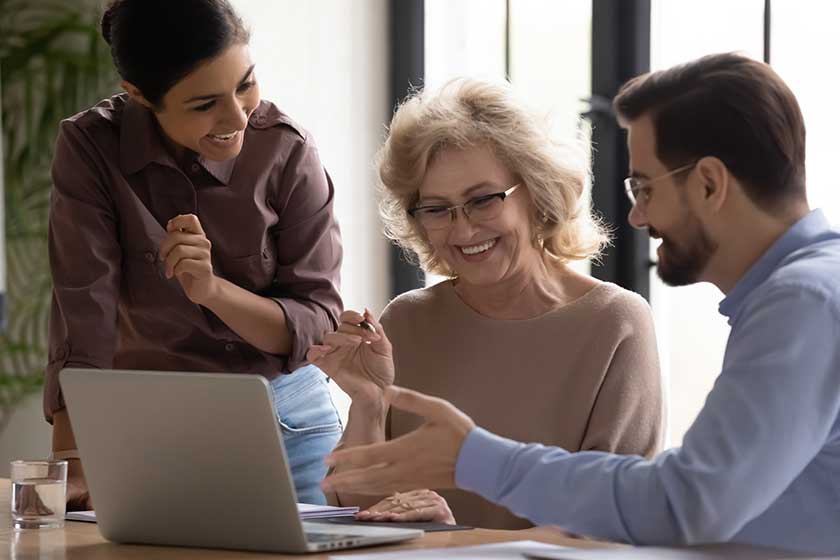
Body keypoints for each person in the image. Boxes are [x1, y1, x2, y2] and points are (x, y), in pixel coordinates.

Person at [319, 52, 840, 555]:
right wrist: (371, 403)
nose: (637, 217)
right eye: (437, 208)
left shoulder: (801, 301)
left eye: (644, 186)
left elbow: (681, 503)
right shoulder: (803, 295)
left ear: (709, 183)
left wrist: (472, 469)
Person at [307, 78, 663, 529]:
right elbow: (359, 514)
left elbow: (614, 519)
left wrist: (455, 537)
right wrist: (369, 402)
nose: (463, 230)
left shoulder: (616, 322)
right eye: (436, 208)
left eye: (482, 201)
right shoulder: (407, 319)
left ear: (537, 192)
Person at [45, 0, 343, 509]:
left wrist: (214, 292)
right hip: (152, 432)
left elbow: (319, 324)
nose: (237, 117)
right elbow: (82, 313)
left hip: (287, 423)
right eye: (205, 104)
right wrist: (71, 464)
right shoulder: (91, 147)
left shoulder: (287, 151)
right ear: (139, 95)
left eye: (245, 84)